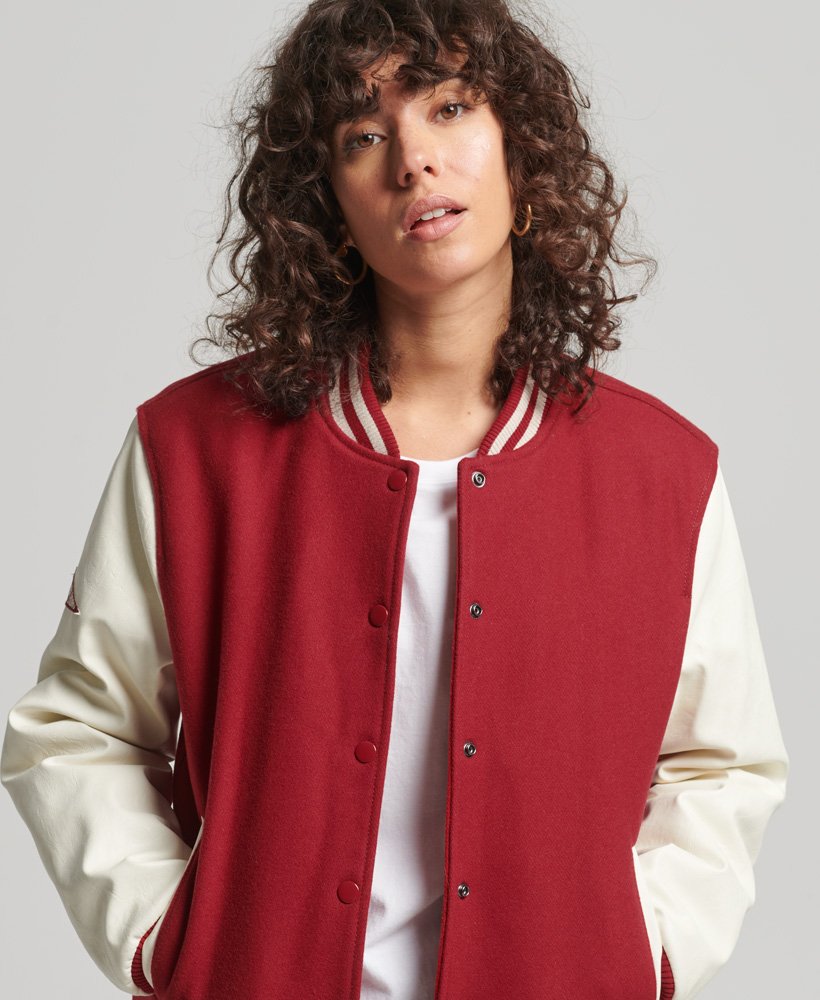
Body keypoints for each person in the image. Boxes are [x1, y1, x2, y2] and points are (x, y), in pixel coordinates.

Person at [1, 1, 789, 998]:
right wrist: (165, 938)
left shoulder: (663, 472)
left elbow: (719, 764)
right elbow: (79, 728)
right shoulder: (193, 449)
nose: (414, 160)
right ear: (326, 204)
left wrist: (646, 950)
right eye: (363, 137)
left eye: (450, 107)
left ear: (522, 152)